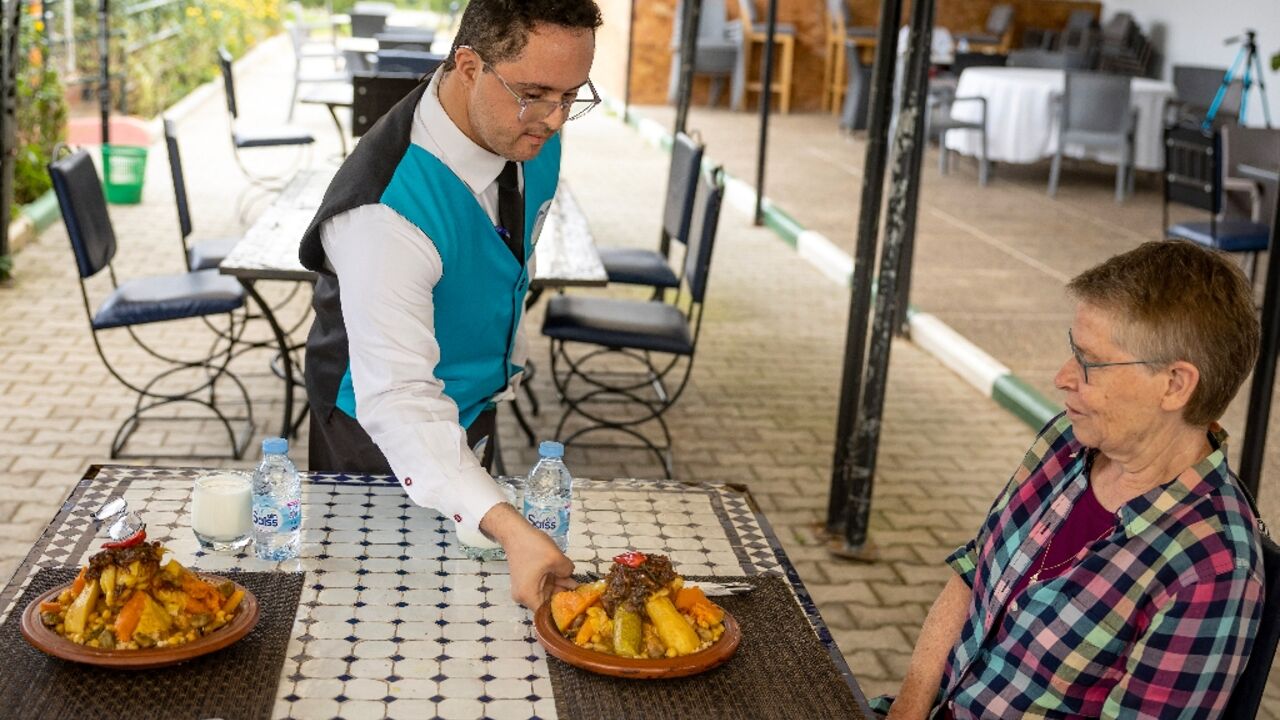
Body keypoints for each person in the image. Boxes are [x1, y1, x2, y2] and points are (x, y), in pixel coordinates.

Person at [298, 0, 603, 611]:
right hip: (375, 436)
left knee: (476, 604)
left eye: (573, 96)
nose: (554, 119)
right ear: (468, 65)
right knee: (379, 616)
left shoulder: (526, 130)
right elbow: (400, 398)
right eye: (537, 94)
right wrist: (511, 526)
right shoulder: (383, 213)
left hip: (471, 406)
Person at [878, 241, 1266, 718]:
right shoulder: (1069, 441)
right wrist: (908, 708)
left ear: (1174, 384)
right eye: (1071, 350)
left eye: (1090, 362)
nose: (1062, 377)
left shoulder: (1211, 568)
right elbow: (973, 573)